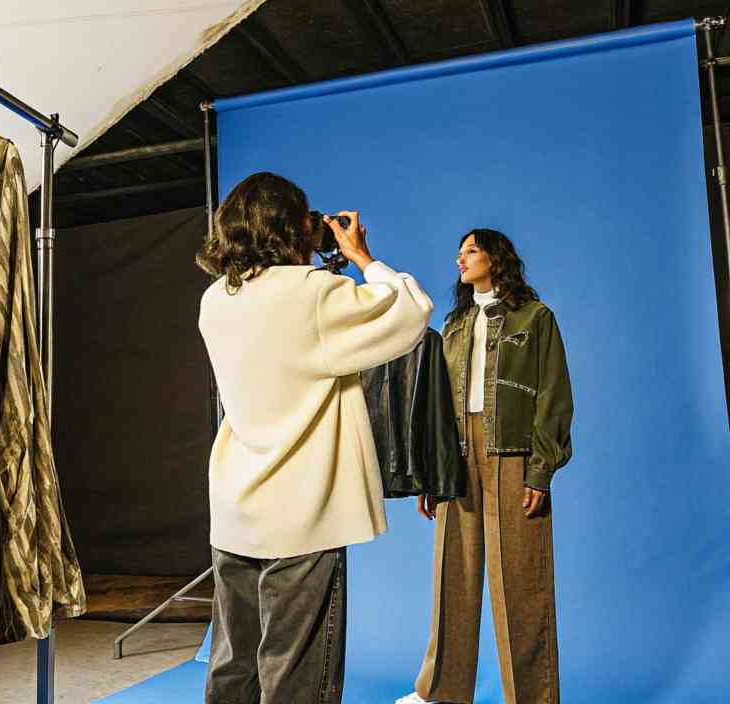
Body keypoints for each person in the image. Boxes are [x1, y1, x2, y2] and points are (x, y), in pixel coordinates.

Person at [196, 171, 433, 704]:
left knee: (234, 665)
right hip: (300, 515)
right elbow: (410, 311)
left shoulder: (215, 301)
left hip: (235, 509)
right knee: (297, 674)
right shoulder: (315, 295)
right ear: (292, 228)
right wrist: (361, 256)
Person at [397, 229, 573, 704]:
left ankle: (533, 697)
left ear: (497, 257)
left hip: (513, 452)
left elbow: (554, 396)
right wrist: (431, 471)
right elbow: (435, 401)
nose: (461, 257)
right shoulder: (454, 325)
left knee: (520, 578)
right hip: (456, 454)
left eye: (472, 249)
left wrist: (541, 470)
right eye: (459, 251)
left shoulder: (535, 318)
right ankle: (440, 691)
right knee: (452, 573)